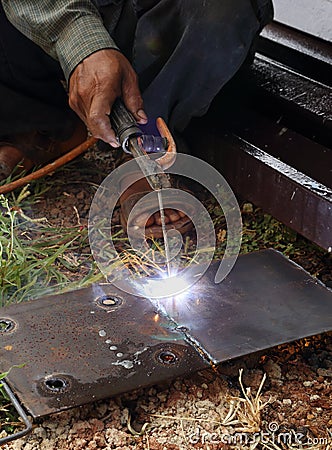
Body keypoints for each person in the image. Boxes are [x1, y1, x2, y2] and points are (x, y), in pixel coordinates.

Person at [0, 0, 273, 229]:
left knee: (224, 6)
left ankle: (148, 145)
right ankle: (34, 123)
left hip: (159, 21)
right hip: (48, 15)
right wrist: (78, 37)